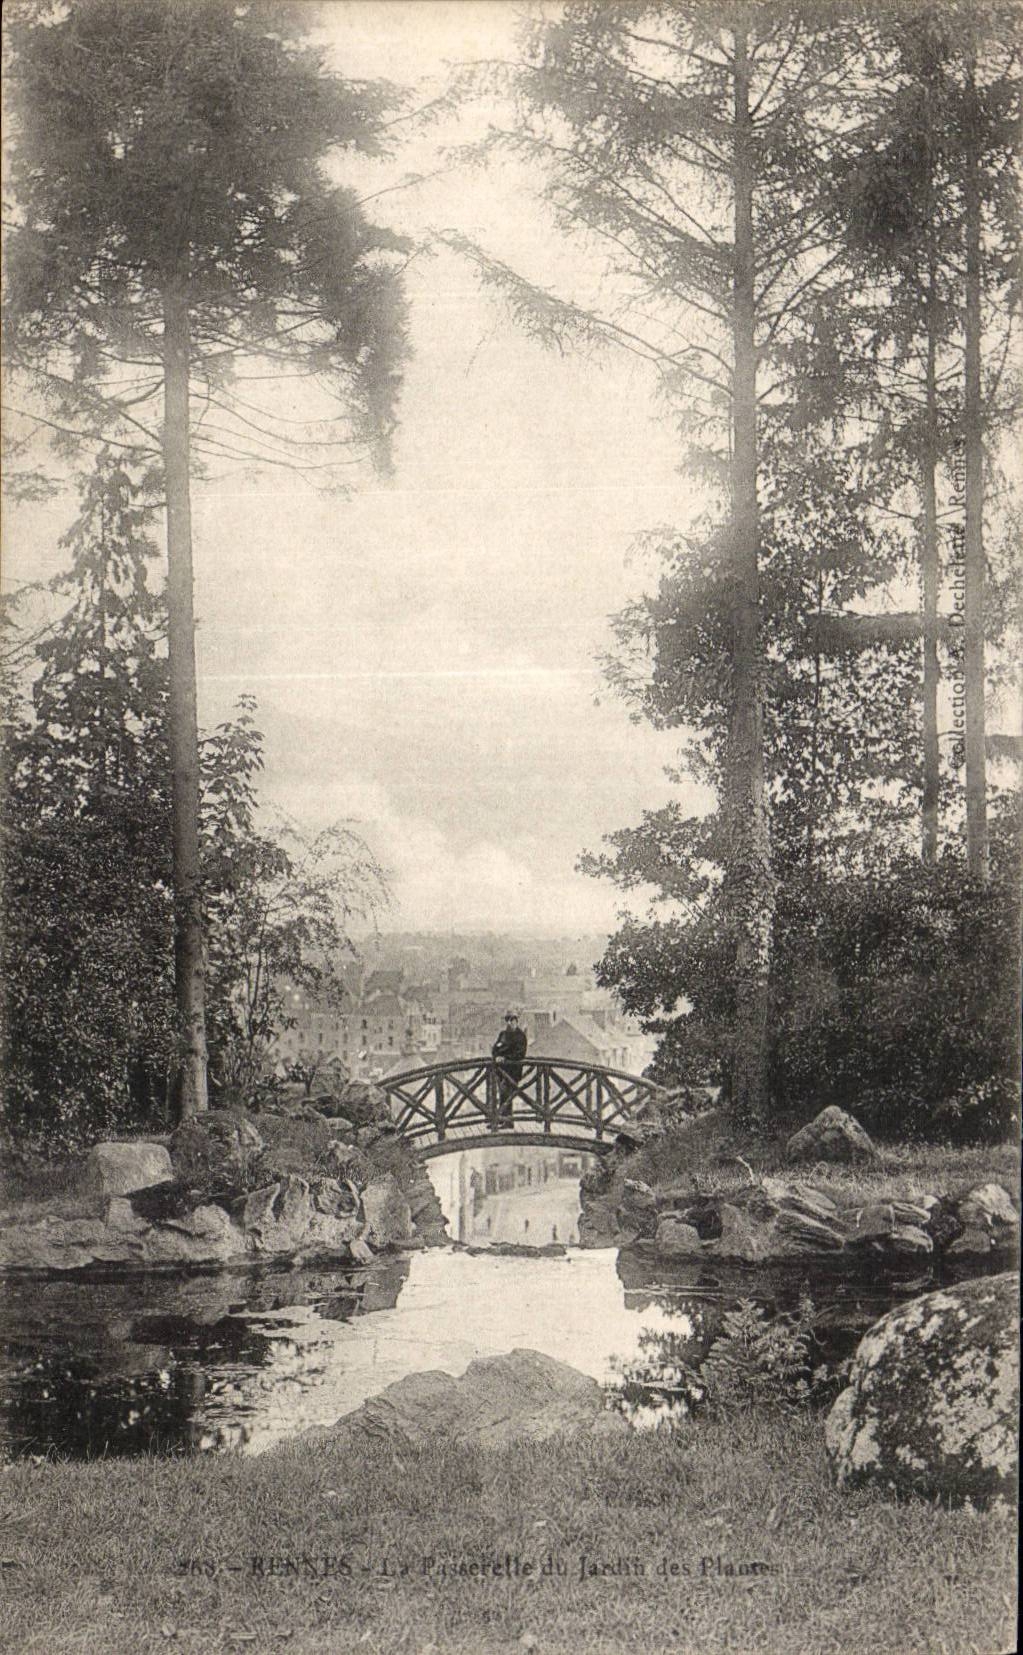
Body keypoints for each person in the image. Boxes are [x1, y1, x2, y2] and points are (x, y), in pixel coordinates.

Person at [491, 1011, 527, 1126]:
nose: (512, 1023)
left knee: (507, 1094)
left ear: (517, 1021)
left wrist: (504, 1058)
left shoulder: (520, 1036)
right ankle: (502, 1119)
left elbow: (519, 1054)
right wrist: (497, 1057)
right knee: (502, 1094)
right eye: (510, 1020)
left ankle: (508, 1121)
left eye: (514, 1020)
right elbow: (494, 1049)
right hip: (501, 1071)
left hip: (513, 1070)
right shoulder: (503, 1034)